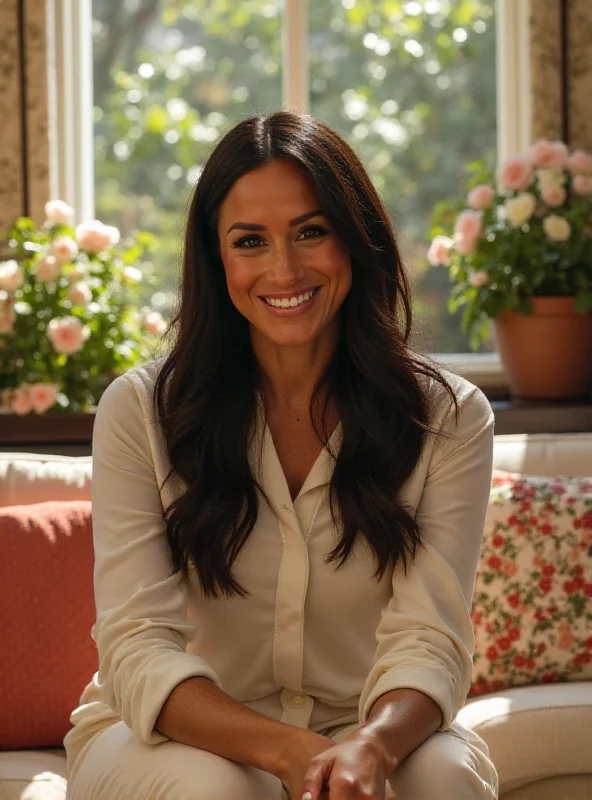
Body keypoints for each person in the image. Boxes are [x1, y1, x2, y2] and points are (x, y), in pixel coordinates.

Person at [64, 111, 498, 800]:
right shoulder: (139, 413)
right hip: (173, 734)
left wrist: (370, 747)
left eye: (311, 231)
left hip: (365, 721)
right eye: (250, 241)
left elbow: (430, 637)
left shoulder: (448, 418)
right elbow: (139, 646)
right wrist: (295, 754)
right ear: (217, 258)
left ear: (356, 240)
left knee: (443, 775)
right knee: (219, 789)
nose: (284, 269)